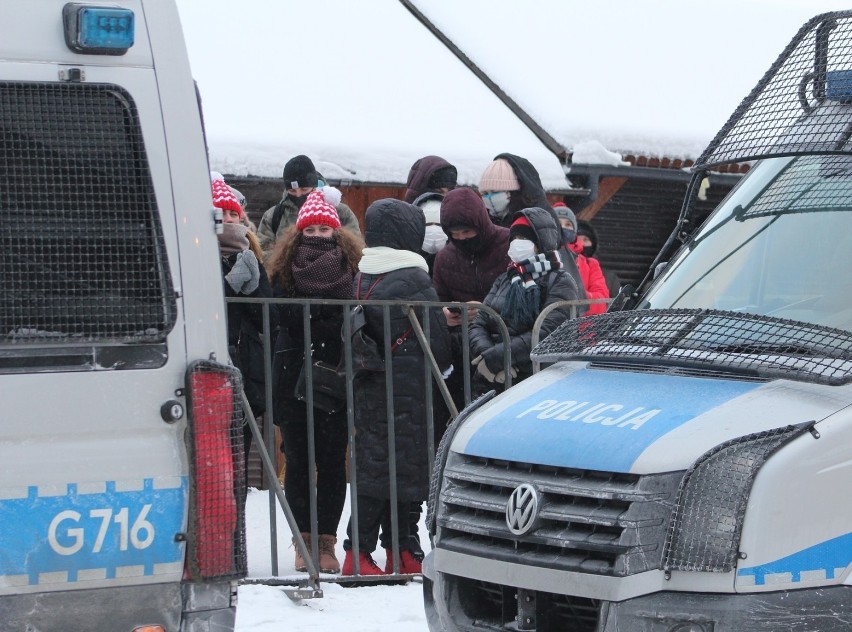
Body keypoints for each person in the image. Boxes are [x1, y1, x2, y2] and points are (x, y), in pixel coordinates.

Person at [342, 198, 452, 577]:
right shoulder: (413, 278)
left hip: (373, 390)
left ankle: (372, 552)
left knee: (377, 473)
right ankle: (389, 551)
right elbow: (437, 342)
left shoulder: (364, 276)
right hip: (410, 393)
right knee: (406, 476)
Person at [266, 189, 365, 574]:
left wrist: (316, 318)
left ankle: (327, 542)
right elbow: (282, 316)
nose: (320, 234)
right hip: (294, 378)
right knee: (299, 462)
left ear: (337, 231)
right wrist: (320, 318)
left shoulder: (351, 269)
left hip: (335, 378)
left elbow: (354, 316)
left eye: (326, 228)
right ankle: (302, 540)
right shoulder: (284, 270)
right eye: (313, 227)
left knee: (332, 463)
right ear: (299, 231)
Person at [469, 207, 580, 396]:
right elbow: (480, 323)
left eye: (524, 239)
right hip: (493, 381)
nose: (516, 244)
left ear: (541, 242)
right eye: (514, 239)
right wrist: (487, 358)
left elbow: (549, 331)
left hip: (536, 382)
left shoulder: (560, 281)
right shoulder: (505, 278)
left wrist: (501, 357)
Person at [213, 173, 272, 475]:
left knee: (237, 464)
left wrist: (252, 288)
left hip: (245, 370)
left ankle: (237, 522)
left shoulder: (250, 256)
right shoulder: (196, 256)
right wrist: (230, 286)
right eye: (220, 212)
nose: (227, 219)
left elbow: (267, 317)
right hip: (211, 370)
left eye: (232, 213)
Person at [431, 187, 510, 413]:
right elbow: (438, 299)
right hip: (462, 351)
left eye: (467, 231)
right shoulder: (445, 257)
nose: (462, 238)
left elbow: (523, 296)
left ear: (480, 223)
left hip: (503, 344)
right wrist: (445, 315)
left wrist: (488, 311)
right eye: (455, 234)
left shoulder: (508, 244)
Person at [478, 153, 587, 309]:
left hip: (539, 301)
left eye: (495, 192)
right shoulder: (489, 220)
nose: (489, 198)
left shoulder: (539, 217)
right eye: (484, 194)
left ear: (513, 191)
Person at [256, 154, 361, 258]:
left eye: (304, 189)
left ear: (314, 186)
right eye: (292, 191)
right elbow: (262, 253)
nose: (298, 195)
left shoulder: (341, 212)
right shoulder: (274, 216)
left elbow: (355, 249)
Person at [553, 202, 609, 316]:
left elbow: (602, 303)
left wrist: (576, 296)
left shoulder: (590, 264)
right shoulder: (540, 258)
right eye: (558, 224)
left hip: (582, 331)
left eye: (568, 224)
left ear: (574, 230)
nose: (563, 228)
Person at [577, 219, 622, 300]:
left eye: (585, 240)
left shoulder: (609, 277)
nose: (582, 244)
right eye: (578, 239)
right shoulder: (565, 271)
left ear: (593, 244)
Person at [412, 190, 447, 275]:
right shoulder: (408, 260)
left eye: (439, 225)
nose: (434, 229)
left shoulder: (458, 259)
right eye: (428, 224)